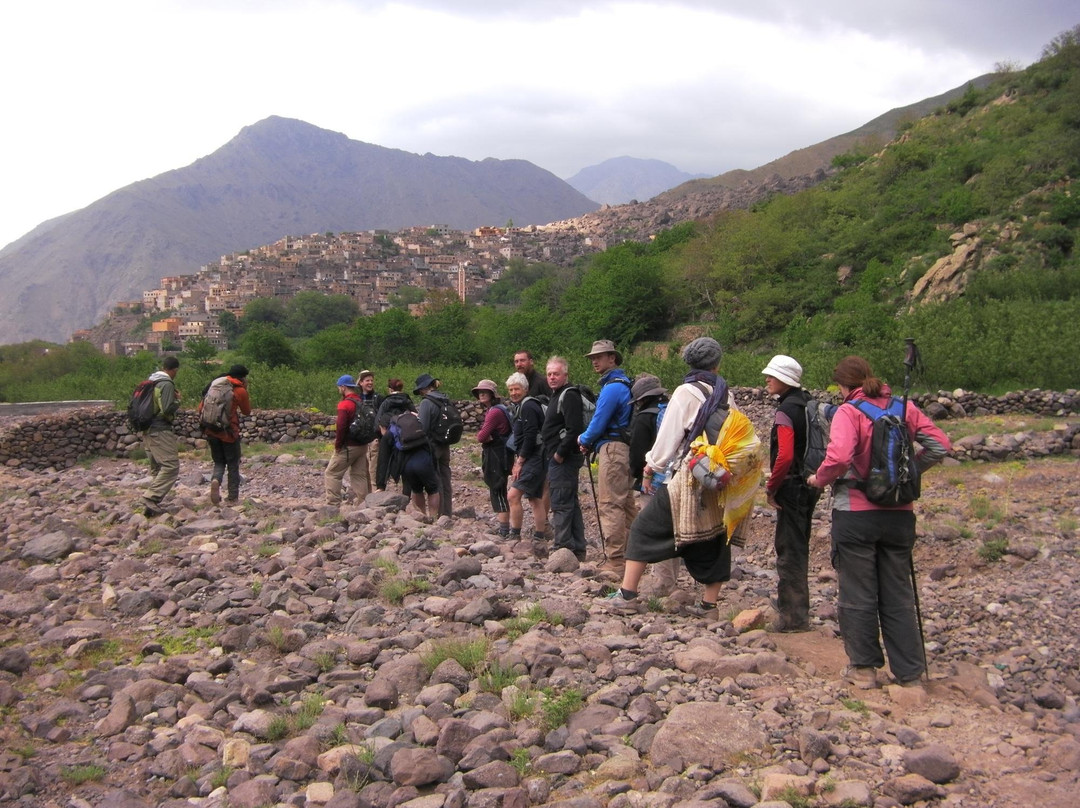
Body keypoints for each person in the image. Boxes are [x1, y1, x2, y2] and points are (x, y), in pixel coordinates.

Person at [807, 356, 951, 689]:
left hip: (856, 513)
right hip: (900, 514)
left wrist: (819, 479)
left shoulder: (848, 411)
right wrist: (907, 472)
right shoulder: (903, 407)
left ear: (843, 385)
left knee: (858, 592)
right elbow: (940, 445)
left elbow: (840, 457)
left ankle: (864, 670)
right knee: (898, 593)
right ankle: (910, 671)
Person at [604, 337, 761, 617]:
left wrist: (651, 466)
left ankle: (627, 595)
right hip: (717, 477)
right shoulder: (725, 394)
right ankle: (709, 606)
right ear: (717, 363)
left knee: (644, 528)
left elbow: (670, 437)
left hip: (688, 477)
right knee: (714, 536)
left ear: (688, 362)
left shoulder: (686, 391)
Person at [761, 355, 821, 632]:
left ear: (784, 380)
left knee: (789, 548)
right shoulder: (808, 403)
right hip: (810, 483)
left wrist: (772, 487)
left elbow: (784, 455)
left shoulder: (786, 410)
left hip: (791, 486)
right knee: (799, 543)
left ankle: (793, 617)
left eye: (771, 376)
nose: (767, 380)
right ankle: (795, 609)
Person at [577, 339, 635, 578]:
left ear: (612, 358)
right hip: (626, 450)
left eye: (599, 357)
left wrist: (584, 439)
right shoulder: (625, 384)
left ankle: (615, 560)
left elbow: (598, 422)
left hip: (612, 450)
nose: (595, 361)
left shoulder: (612, 388)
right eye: (593, 358)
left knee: (611, 503)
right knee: (627, 504)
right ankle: (634, 555)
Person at [628, 373, 680, 596]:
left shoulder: (643, 418)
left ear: (640, 399)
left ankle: (662, 584)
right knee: (673, 532)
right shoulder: (672, 413)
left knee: (653, 532)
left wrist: (637, 475)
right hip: (675, 480)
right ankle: (672, 581)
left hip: (652, 482)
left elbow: (637, 455)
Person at [541, 357, 587, 561]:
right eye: (549, 374)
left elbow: (574, 429)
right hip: (561, 456)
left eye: (556, 374)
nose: (552, 377)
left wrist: (559, 454)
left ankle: (562, 547)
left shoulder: (568, 395)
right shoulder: (557, 394)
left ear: (565, 375)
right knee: (570, 501)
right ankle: (576, 548)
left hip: (564, 458)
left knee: (561, 502)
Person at [506, 372, 549, 549]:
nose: (514, 393)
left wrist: (520, 461)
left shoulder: (529, 406)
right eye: (511, 390)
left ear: (525, 389)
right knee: (535, 497)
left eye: (517, 389)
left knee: (513, 495)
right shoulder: (524, 406)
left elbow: (530, 436)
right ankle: (540, 535)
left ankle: (514, 534)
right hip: (537, 456)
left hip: (534, 457)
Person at [202, 364, 252, 505]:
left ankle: (216, 480)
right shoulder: (239, 390)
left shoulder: (215, 385)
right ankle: (232, 498)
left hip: (211, 430)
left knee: (219, 462)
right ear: (242, 378)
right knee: (232, 464)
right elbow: (246, 411)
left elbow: (201, 407)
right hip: (229, 433)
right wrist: (244, 391)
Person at [140, 356, 181, 517]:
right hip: (160, 429)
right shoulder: (166, 384)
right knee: (171, 466)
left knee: (157, 468)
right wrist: (178, 402)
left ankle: (151, 509)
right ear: (174, 370)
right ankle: (151, 498)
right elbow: (166, 409)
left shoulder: (150, 382)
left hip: (146, 430)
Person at [324, 375, 372, 505]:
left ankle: (333, 504)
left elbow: (341, 427)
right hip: (362, 445)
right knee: (359, 475)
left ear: (343, 387)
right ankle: (364, 503)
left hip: (348, 446)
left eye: (339, 387)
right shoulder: (361, 402)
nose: (339, 389)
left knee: (332, 473)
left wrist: (338, 445)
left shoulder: (344, 405)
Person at [473, 379, 513, 537]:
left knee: (497, 489)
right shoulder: (499, 409)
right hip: (502, 453)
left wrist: (484, 435)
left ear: (492, 394)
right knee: (499, 488)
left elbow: (481, 436)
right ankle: (504, 528)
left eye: (485, 391)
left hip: (496, 454)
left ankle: (504, 530)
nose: (481, 394)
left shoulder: (495, 412)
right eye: (479, 392)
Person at [415, 373, 454, 517]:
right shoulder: (445, 399)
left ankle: (438, 514)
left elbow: (423, 427)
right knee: (446, 478)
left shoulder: (427, 402)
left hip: (432, 445)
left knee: (435, 480)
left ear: (424, 388)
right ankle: (447, 513)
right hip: (445, 444)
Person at [375, 379, 415, 492]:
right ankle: (407, 492)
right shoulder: (407, 401)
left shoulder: (386, 402)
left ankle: (381, 487)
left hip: (388, 435)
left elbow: (376, 423)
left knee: (383, 459)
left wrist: (380, 434)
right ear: (401, 389)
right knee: (406, 462)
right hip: (405, 436)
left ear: (389, 389)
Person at [357, 370, 382, 489]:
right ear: (361, 382)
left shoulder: (378, 398)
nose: (370, 383)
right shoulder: (356, 398)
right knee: (361, 466)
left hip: (374, 437)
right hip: (360, 437)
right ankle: (364, 491)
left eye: (372, 380)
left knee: (374, 465)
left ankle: (375, 489)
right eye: (367, 380)